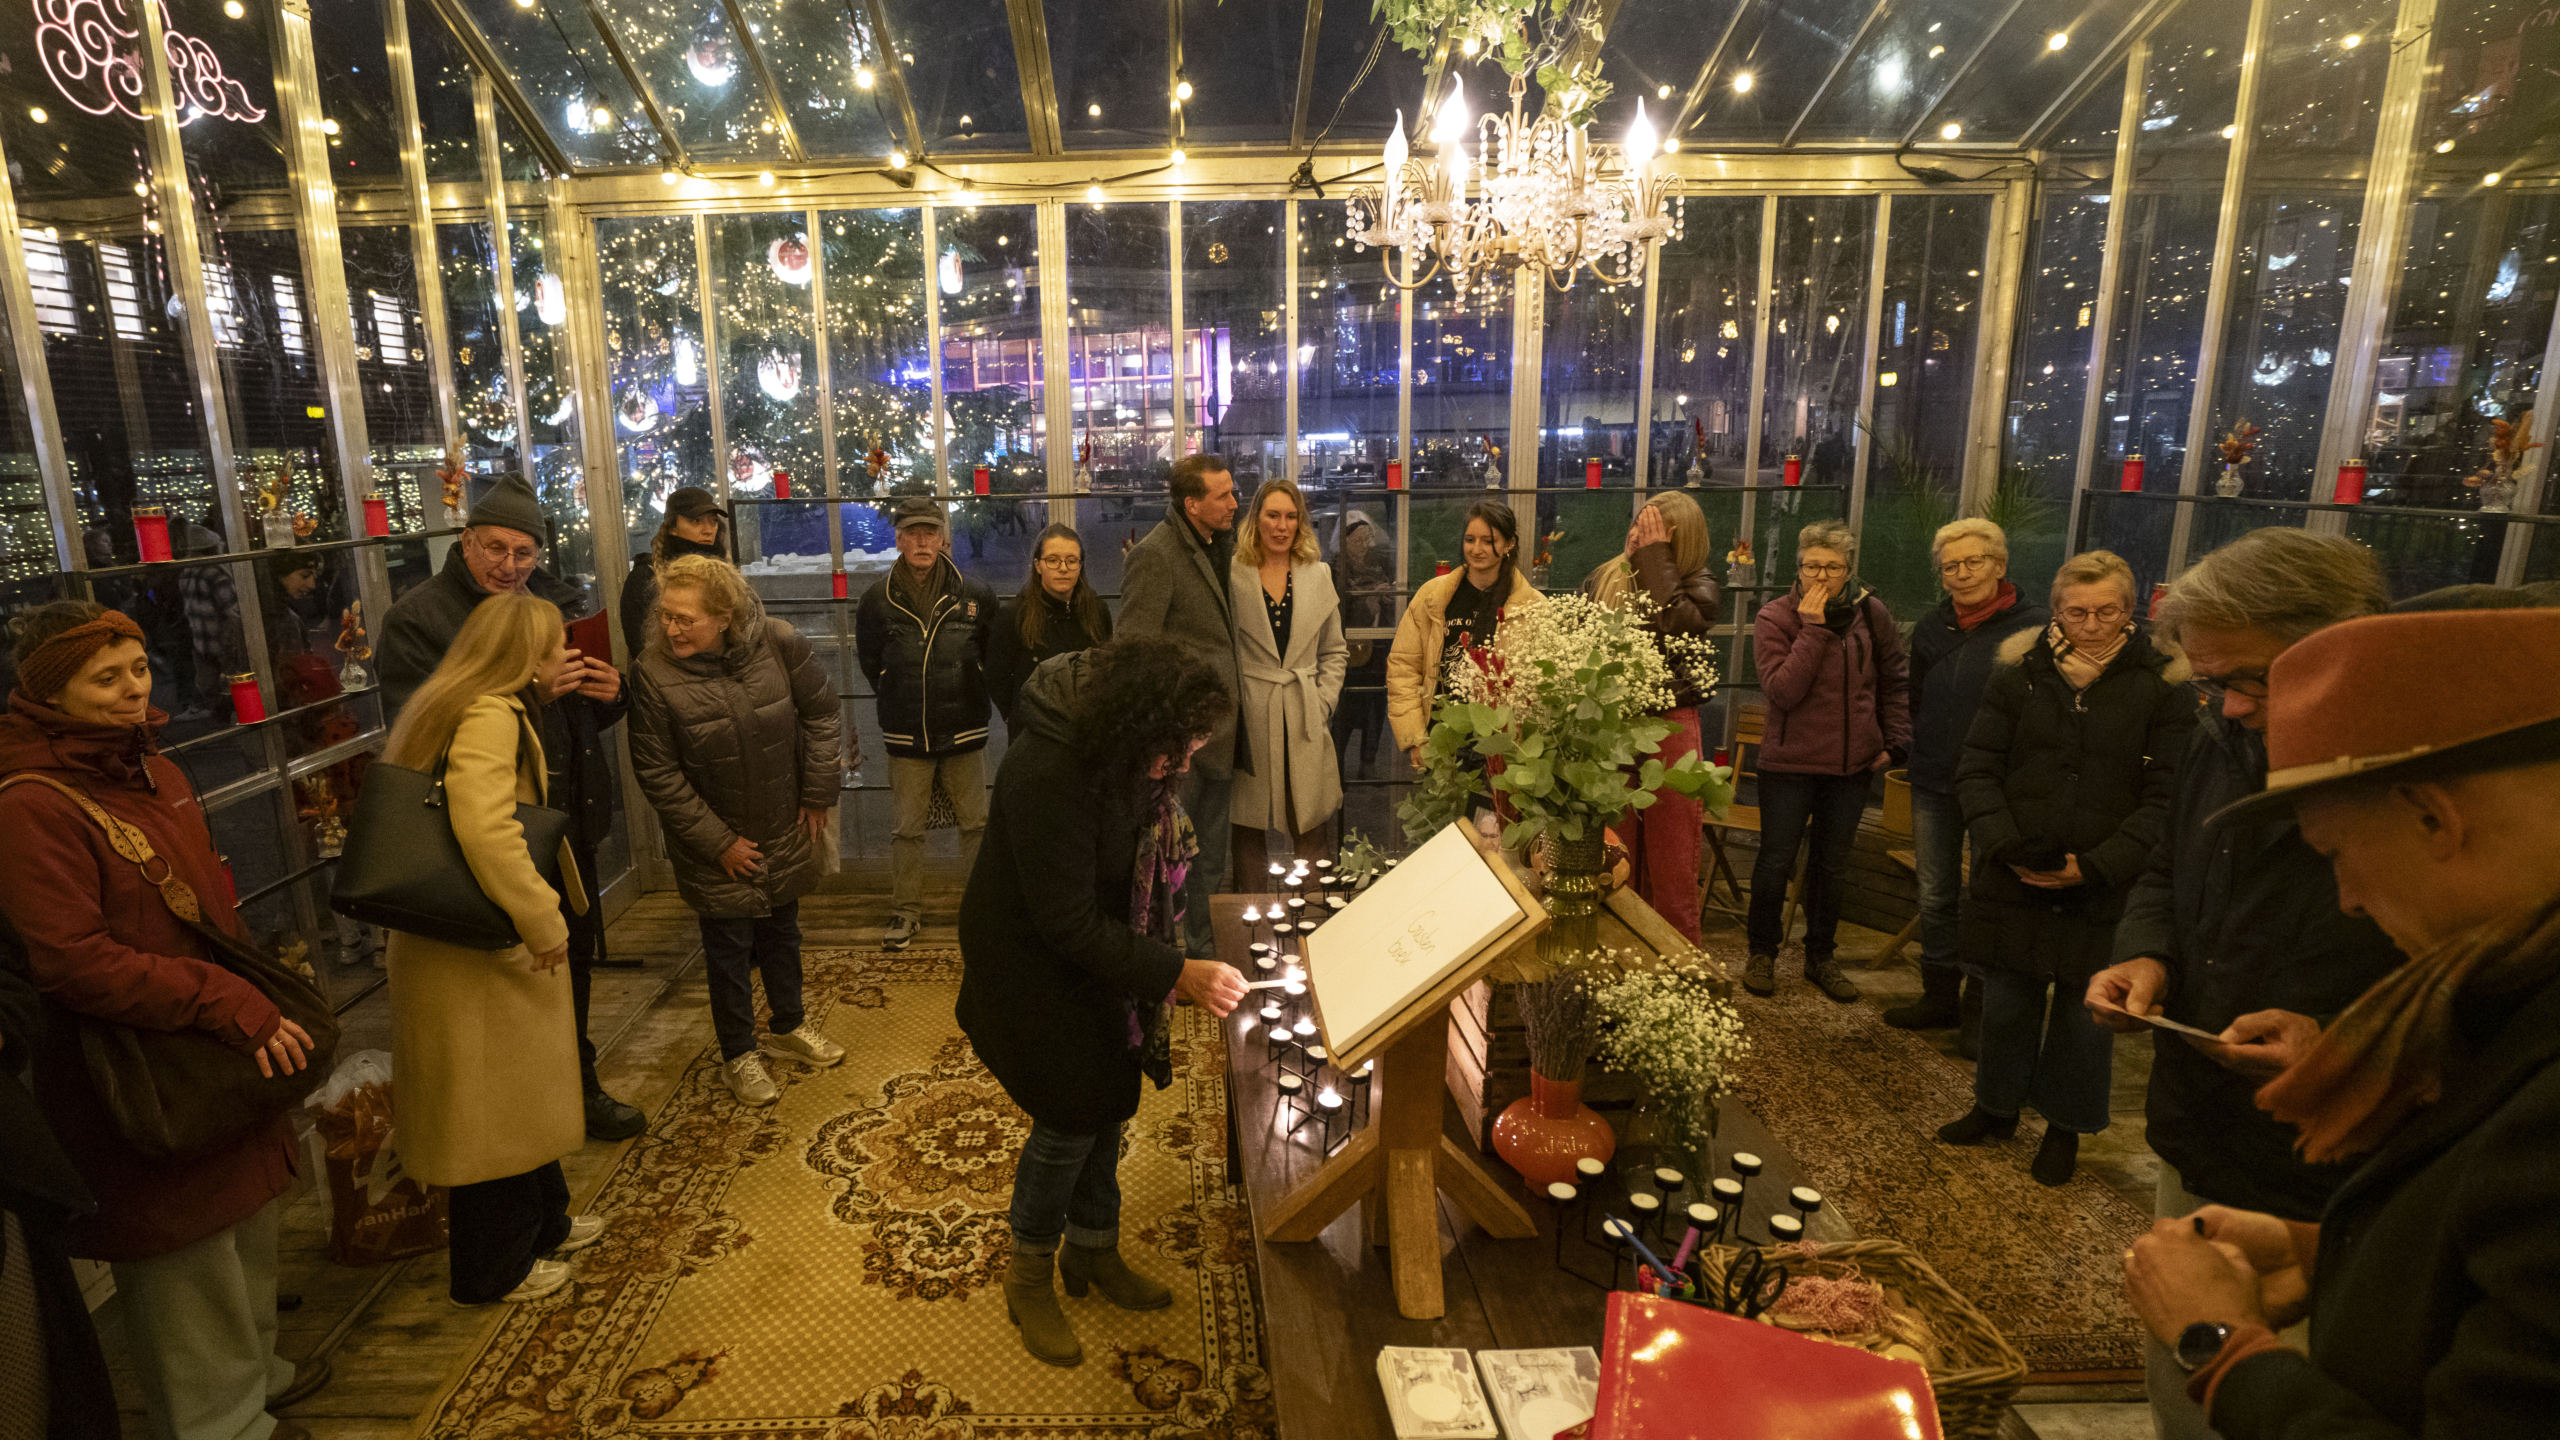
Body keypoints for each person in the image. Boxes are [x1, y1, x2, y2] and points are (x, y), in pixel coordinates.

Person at [2120, 607, 2560, 1440]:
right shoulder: (2505, 998)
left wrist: (2219, 1346)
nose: (2349, 898)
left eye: (2334, 856)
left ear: (2434, 818)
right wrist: (2336, 1256)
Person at [2079, 528, 2401, 1440]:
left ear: (2341, 643)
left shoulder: (2413, 770)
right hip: (2203, 1127)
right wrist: (2149, 955)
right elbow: (2168, 874)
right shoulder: (2219, 731)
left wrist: (2346, 1040)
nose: (2233, 705)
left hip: (2341, 1160)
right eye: (2212, 681)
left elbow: (2464, 976)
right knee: (2184, 1392)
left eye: (2252, 678)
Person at [0, 601, 331, 1438]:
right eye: (103, 679)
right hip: (139, 1065)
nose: (131, 691)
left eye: (139, 670)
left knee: (245, 1222)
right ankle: (219, 1422)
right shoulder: (30, 804)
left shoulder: (151, 768)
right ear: (49, 693)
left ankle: (256, 1376)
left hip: (212, 1045)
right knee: (185, 1255)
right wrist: (227, 1000)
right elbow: (69, 959)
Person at [956, 635, 1249, 1368]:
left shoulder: (1120, 750)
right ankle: (1028, 1276)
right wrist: (1177, 972)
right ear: (1135, 725)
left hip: (1095, 951)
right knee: (1066, 1118)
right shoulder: (1048, 770)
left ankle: (1092, 1250)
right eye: (1177, 749)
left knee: (1109, 1103)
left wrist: (1152, 961)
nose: (1183, 766)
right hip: (1025, 960)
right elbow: (1065, 923)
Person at [378, 474, 644, 1142]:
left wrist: (610, 692)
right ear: (466, 542)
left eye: (524, 554)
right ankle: (511, 1120)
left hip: (566, 818)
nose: (509, 566)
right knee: (507, 982)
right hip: (476, 835)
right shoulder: (420, 617)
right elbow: (423, 731)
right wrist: (536, 690)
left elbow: (581, 719)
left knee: (571, 966)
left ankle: (574, 1090)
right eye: (494, 549)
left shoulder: (556, 604)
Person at [380, 592, 608, 1308]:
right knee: (493, 1110)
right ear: (522, 655)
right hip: (478, 945)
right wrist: (544, 920)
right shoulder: (488, 714)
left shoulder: (456, 698)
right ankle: (494, 1268)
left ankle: (545, 1224)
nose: (559, 660)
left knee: (519, 1093)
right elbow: (487, 829)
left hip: (465, 937)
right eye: (551, 648)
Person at [1938, 551, 2192, 1186]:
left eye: (2108, 611)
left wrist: (2099, 865)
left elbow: (2167, 798)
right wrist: (2004, 845)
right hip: (2016, 871)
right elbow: (1976, 767)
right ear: (2056, 612)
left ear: (2130, 610)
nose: (2092, 626)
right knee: (2007, 1002)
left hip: (2104, 884)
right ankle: (1994, 1108)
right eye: (2077, 612)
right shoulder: (2021, 673)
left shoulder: (2160, 684)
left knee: (2085, 1017)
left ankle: (2065, 1130)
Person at [628, 556, 847, 1108]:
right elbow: (658, 771)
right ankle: (738, 1055)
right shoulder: (652, 673)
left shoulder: (778, 641)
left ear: (724, 617)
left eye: (686, 619)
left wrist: (818, 791)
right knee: (726, 948)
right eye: (666, 617)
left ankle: (790, 1026)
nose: (671, 629)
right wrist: (718, 842)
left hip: (782, 821)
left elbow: (822, 713)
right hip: (713, 838)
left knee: (782, 931)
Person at [1885, 518, 2049, 1053]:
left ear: (1999, 565)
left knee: (1987, 895)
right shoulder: (1934, 627)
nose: (1962, 573)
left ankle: (1979, 1011)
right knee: (1935, 894)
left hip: (1999, 788)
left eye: (1974, 562)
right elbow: (1916, 698)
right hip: (1934, 778)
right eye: (1951, 565)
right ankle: (1939, 996)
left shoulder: (2035, 628)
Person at [1745, 519, 1909, 1002]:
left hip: (1851, 767)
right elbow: (1782, 691)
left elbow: (1896, 680)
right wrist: (1813, 632)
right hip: (1788, 765)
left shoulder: (1871, 614)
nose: (1822, 577)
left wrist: (1894, 741)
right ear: (1799, 567)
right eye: (1812, 566)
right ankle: (1761, 953)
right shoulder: (1775, 617)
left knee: (1832, 866)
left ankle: (1821, 957)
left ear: (1848, 570)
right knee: (1776, 861)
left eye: (1832, 567)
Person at [1117, 454, 1248, 956]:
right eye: (1224, 496)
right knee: (1168, 856)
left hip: (1218, 732)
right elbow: (1133, 649)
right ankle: (1163, 957)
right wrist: (1159, 738)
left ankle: (1203, 951)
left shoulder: (1219, 547)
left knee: (1211, 855)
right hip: (1177, 742)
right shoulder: (1156, 555)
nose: (1236, 503)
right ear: (1192, 504)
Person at [855, 497, 997, 951]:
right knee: (907, 828)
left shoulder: (975, 594)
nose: (921, 541)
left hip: (965, 727)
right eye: (912, 533)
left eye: (929, 532)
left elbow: (991, 656)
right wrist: (894, 690)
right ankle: (906, 911)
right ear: (898, 539)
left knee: (975, 824)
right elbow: (870, 661)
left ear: (942, 539)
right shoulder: (876, 600)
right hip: (905, 731)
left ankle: (980, 908)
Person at [1584, 490, 1721, 943]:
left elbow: (1681, 623)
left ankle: (1679, 971)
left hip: (1671, 725)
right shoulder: (1602, 579)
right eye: (1638, 526)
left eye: (1653, 532)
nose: (1637, 536)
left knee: (1672, 858)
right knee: (1616, 854)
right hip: (1614, 730)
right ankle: (1621, 958)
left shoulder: (1698, 588)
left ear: (1677, 544)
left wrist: (1653, 561)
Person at [1229, 477, 1348, 879]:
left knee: (1312, 828)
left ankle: (1317, 930)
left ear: (1301, 523)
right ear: (1256, 519)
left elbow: (1335, 650)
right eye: (1273, 515)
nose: (1281, 526)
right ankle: (1254, 933)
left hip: (1303, 715)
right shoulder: (1231, 574)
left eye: (1290, 517)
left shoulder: (1319, 575)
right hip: (1251, 717)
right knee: (1247, 831)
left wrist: (1322, 702)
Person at [1389, 501, 1540, 776]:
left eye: (1488, 540)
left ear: (1509, 544)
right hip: (1442, 741)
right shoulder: (1433, 596)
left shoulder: (1532, 606)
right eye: (1470, 540)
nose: (1476, 549)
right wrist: (1414, 737)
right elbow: (1403, 668)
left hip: (1503, 750)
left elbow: (1542, 686)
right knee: (1444, 819)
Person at [987, 523, 1113, 725]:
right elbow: (997, 681)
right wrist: (1020, 717)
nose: (1063, 568)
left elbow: (1106, 674)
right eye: (1053, 560)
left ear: (1080, 566)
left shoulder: (1098, 612)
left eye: (1072, 561)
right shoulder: (1013, 616)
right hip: (1034, 734)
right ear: (1038, 565)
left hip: (1087, 732)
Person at [620, 486, 731, 661]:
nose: (708, 530)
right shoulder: (645, 578)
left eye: (713, 521)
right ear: (672, 527)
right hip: (668, 681)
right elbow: (643, 652)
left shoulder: (726, 575)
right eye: (696, 521)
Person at [1328, 508, 1395, 781]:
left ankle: (1369, 759)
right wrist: (1366, 605)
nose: (1363, 545)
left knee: (1376, 706)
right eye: (1357, 541)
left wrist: (1386, 599)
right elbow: (1335, 612)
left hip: (1377, 646)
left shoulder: (1379, 565)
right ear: (1343, 543)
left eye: (1367, 539)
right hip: (1348, 651)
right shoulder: (1334, 570)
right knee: (1345, 710)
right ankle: (1336, 766)